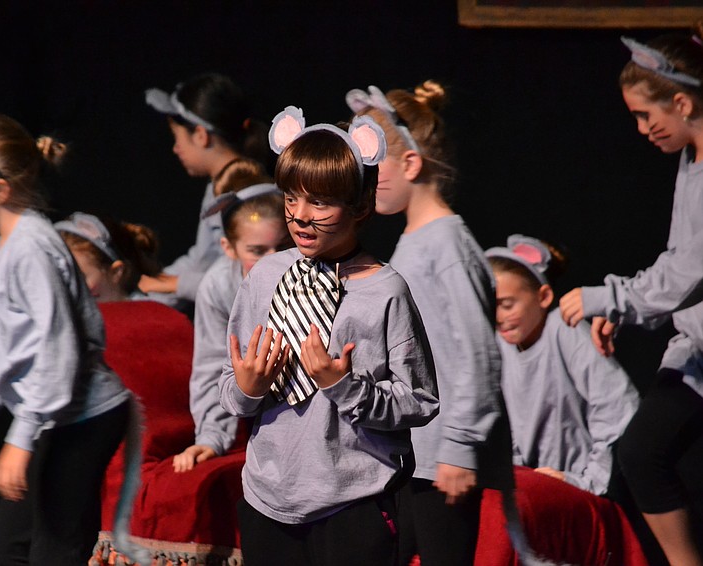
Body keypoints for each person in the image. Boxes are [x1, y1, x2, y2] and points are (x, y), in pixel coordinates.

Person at [219, 106, 439, 566]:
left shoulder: (385, 292)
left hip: (354, 502)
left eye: (320, 203)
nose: (300, 216)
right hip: (269, 499)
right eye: (291, 199)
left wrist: (345, 387)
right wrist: (246, 388)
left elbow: (420, 401)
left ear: (360, 206)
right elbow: (231, 384)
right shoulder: (265, 276)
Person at [0, 114, 136, 565]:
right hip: (54, 414)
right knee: (7, 549)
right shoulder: (8, 247)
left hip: (84, 416)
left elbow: (56, 352)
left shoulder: (31, 248)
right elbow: (20, 354)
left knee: (53, 549)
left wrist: (20, 439)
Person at [347, 83, 512, 565]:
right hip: (415, 451)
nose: (366, 178)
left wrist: (459, 446)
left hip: (443, 454)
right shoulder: (416, 240)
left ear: (411, 165)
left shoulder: (446, 243)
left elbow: (477, 352)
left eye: (375, 166)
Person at [559, 24, 703, 565]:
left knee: (648, 452)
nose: (643, 129)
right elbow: (677, 260)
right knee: (645, 453)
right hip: (696, 352)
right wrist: (628, 312)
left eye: (648, 115)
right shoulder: (692, 164)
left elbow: (692, 269)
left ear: (683, 102)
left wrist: (607, 299)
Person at [486, 234, 639, 497]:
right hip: (537, 489)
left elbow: (616, 407)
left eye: (507, 305)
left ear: (543, 296)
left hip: (589, 491)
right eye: (491, 307)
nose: (499, 317)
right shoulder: (501, 348)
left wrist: (586, 482)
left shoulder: (564, 330)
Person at [173, 158, 289, 473]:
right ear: (229, 247)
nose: (273, 260)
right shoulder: (218, 286)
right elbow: (211, 367)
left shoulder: (312, 273)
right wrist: (211, 437)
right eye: (257, 250)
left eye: (282, 245)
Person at [142, 73, 271, 313]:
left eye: (177, 138)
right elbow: (203, 258)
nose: (175, 148)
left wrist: (179, 285)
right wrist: (149, 293)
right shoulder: (216, 188)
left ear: (201, 135)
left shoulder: (246, 196)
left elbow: (248, 280)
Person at [55, 211, 161, 303]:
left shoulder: (149, 320)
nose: (67, 286)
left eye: (79, 276)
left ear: (116, 272)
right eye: (59, 275)